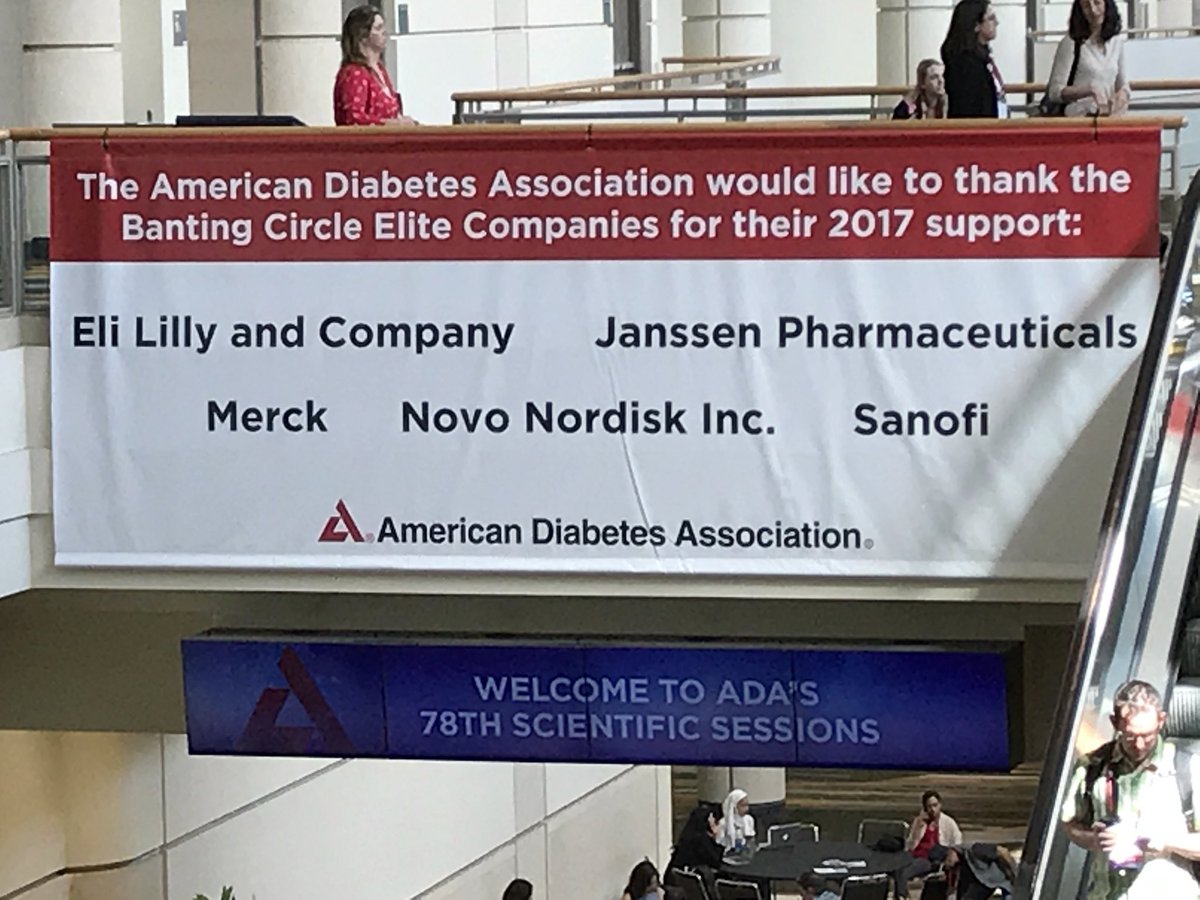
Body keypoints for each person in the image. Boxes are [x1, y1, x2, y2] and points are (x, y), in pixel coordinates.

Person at [1061, 679, 1200, 899]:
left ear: (1162, 720)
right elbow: (1070, 823)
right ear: (1115, 723)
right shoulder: (1092, 766)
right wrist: (1094, 839)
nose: (1139, 745)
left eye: (1147, 736)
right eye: (1130, 736)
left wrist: (1163, 841)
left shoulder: (1188, 768)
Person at [333, 5, 416, 126]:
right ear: (362, 36)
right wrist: (391, 124)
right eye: (378, 28)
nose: (384, 32)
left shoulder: (380, 69)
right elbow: (353, 118)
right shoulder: (354, 73)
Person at [1046, 0, 1129, 117]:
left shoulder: (1116, 42)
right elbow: (1055, 92)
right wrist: (1087, 90)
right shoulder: (1071, 42)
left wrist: (1122, 94)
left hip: (1109, 117)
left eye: (1097, 3)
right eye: (1086, 6)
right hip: (1080, 118)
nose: (1093, 11)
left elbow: (1123, 84)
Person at [941, 0, 1007, 118]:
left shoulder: (982, 58)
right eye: (991, 18)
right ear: (976, 25)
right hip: (975, 125)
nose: (997, 22)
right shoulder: (966, 64)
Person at [896, 790, 964, 888]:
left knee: (904, 873)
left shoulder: (948, 823)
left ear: (940, 805)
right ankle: (902, 893)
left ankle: (902, 894)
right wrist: (919, 827)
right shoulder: (919, 821)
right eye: (929, 806)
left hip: (928, 859)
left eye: (935, 805)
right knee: (895, 869)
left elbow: (957, 843)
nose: (933, 809)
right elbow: (910, 845)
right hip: (913, 856)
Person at [932, 842, 1016, 900]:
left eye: (948, 860)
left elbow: (1002, 851)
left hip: (1004, 878)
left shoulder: (974, 849)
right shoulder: (959, 864)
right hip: (983, 883)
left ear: (951, 851)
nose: (949, 864)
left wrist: (1014, 872)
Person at [665, 805, 725, 880]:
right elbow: (717, 862)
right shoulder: (702, 842)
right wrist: (717, 838)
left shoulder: (686, 839)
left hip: (679, 883)